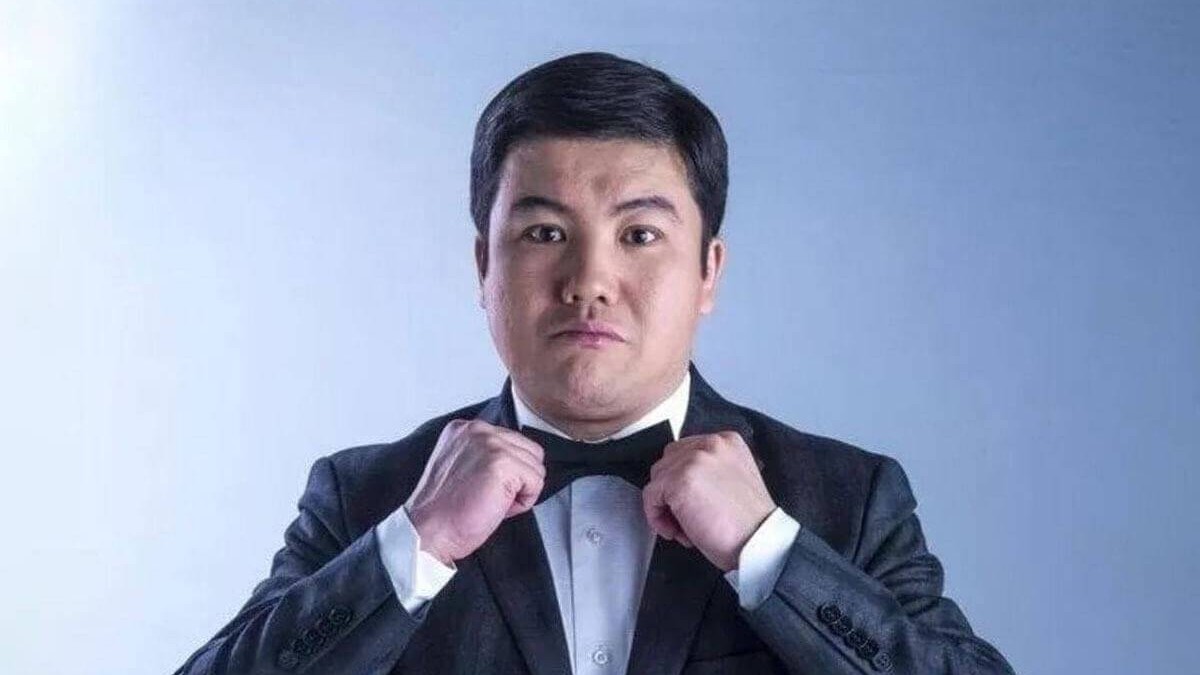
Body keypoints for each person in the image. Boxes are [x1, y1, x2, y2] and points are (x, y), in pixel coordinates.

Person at [174, 51, 1015, 675]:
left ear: (708, 272)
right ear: (484, 266)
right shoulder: (368, 498)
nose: (589, 281)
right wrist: (414, 545)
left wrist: (770, 552)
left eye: (640, 234)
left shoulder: (845, 499)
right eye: (545, 232)